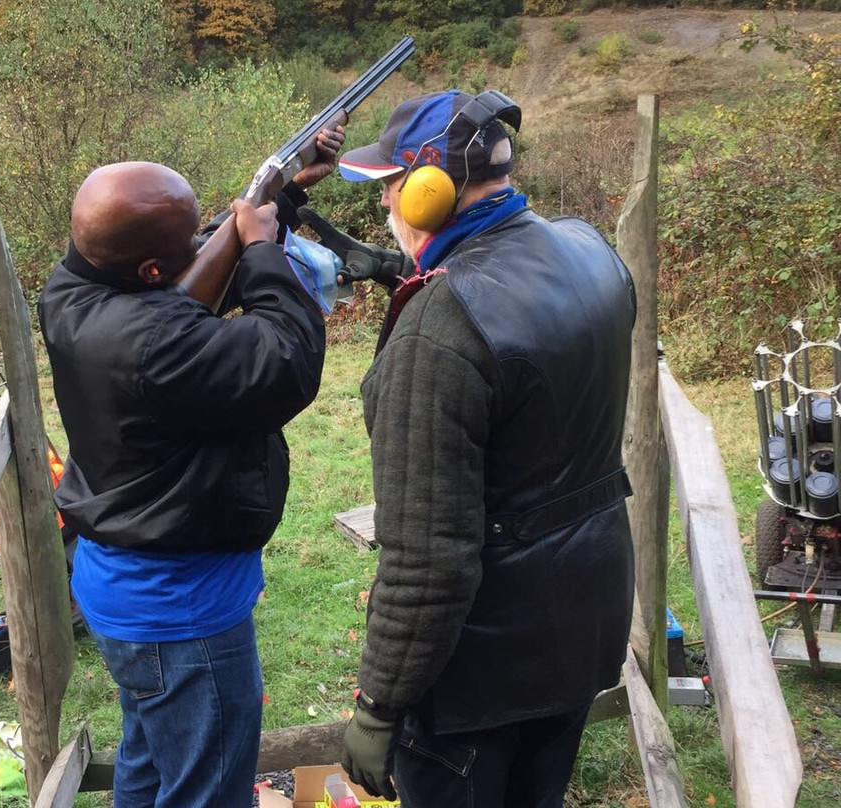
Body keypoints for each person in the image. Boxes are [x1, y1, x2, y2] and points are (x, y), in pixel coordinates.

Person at [331, 90, 637, 807]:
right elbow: (528, 375)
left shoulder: (439, 330)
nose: (385, 206)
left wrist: (379, 704)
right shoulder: (589, 248)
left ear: (431, 189)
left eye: (390, 188)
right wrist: (401, 271)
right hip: (582, 621)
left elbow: (427, 560)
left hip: (483, 666)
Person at [37, 130, 341, 808]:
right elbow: (285, 358)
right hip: (182, 615)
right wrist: (261, 247)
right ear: (150, 272)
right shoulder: (156, 342)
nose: (204, 238)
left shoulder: (69, 290)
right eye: (185, 241)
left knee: (148, 768)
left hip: (124, 590)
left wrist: (282, 196)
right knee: (207, 791)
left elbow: (186, 273)